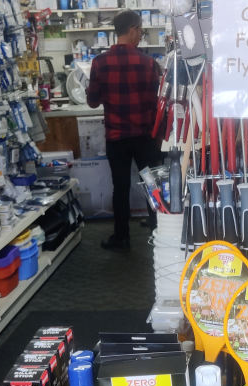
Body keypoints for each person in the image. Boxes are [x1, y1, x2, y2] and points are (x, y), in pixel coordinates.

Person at [86, 10, 162, 251]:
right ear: (132, 30)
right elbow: (155, 102)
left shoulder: (99, 63)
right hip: (145, 135)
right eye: (140, 31)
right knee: (152, 184)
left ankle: (122, 238)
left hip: (117, 136)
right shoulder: (149, 63)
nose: (140, 36)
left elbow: (93, 101)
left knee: (120, 188)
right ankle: (158, 230)